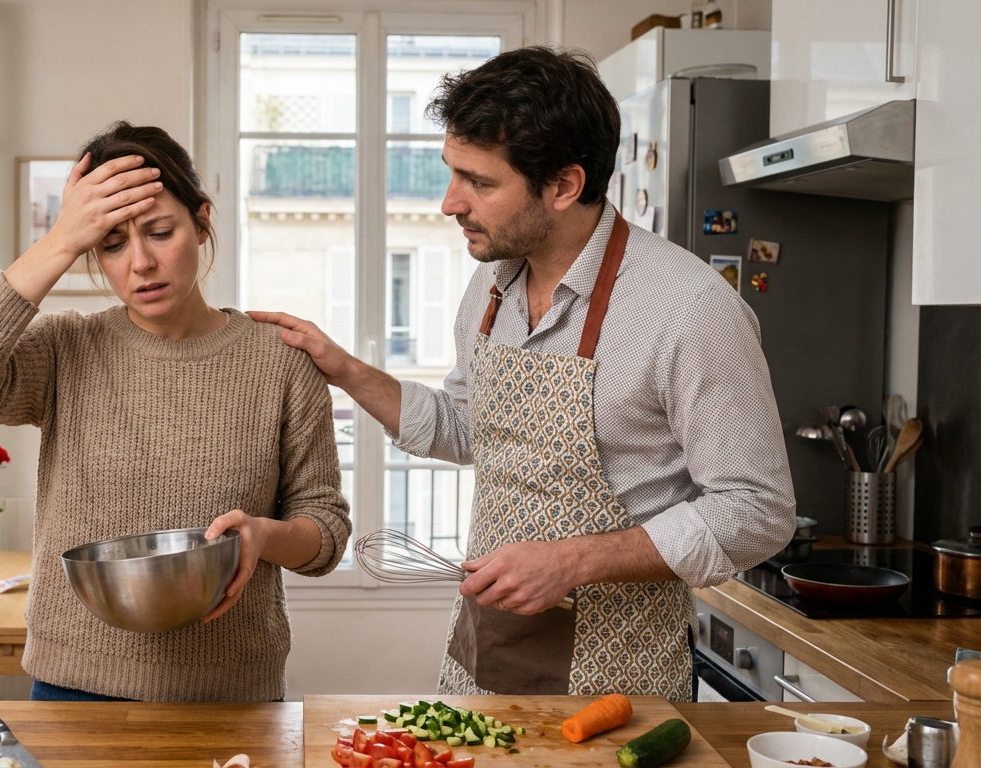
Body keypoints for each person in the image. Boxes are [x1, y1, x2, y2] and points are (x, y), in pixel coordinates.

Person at [252, 47, 795, 702]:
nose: (449, 202)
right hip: (486, 653)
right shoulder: (491, 286)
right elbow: (464, 428)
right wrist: (343, 369)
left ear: (563, 186)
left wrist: (572, 561)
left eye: (479, 182)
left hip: (618, 682)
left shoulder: (690, 309)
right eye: (452, 173)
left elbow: (757, 511)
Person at [0, 122, 351, 703]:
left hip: (231, 694)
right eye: (111, 243)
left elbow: (325, 532)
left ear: (202, 222)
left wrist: (263, 536)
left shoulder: (281, 362)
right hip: (74, 687)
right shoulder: (66, 349)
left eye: (160, 232)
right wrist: (60, 241)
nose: (140, 262)